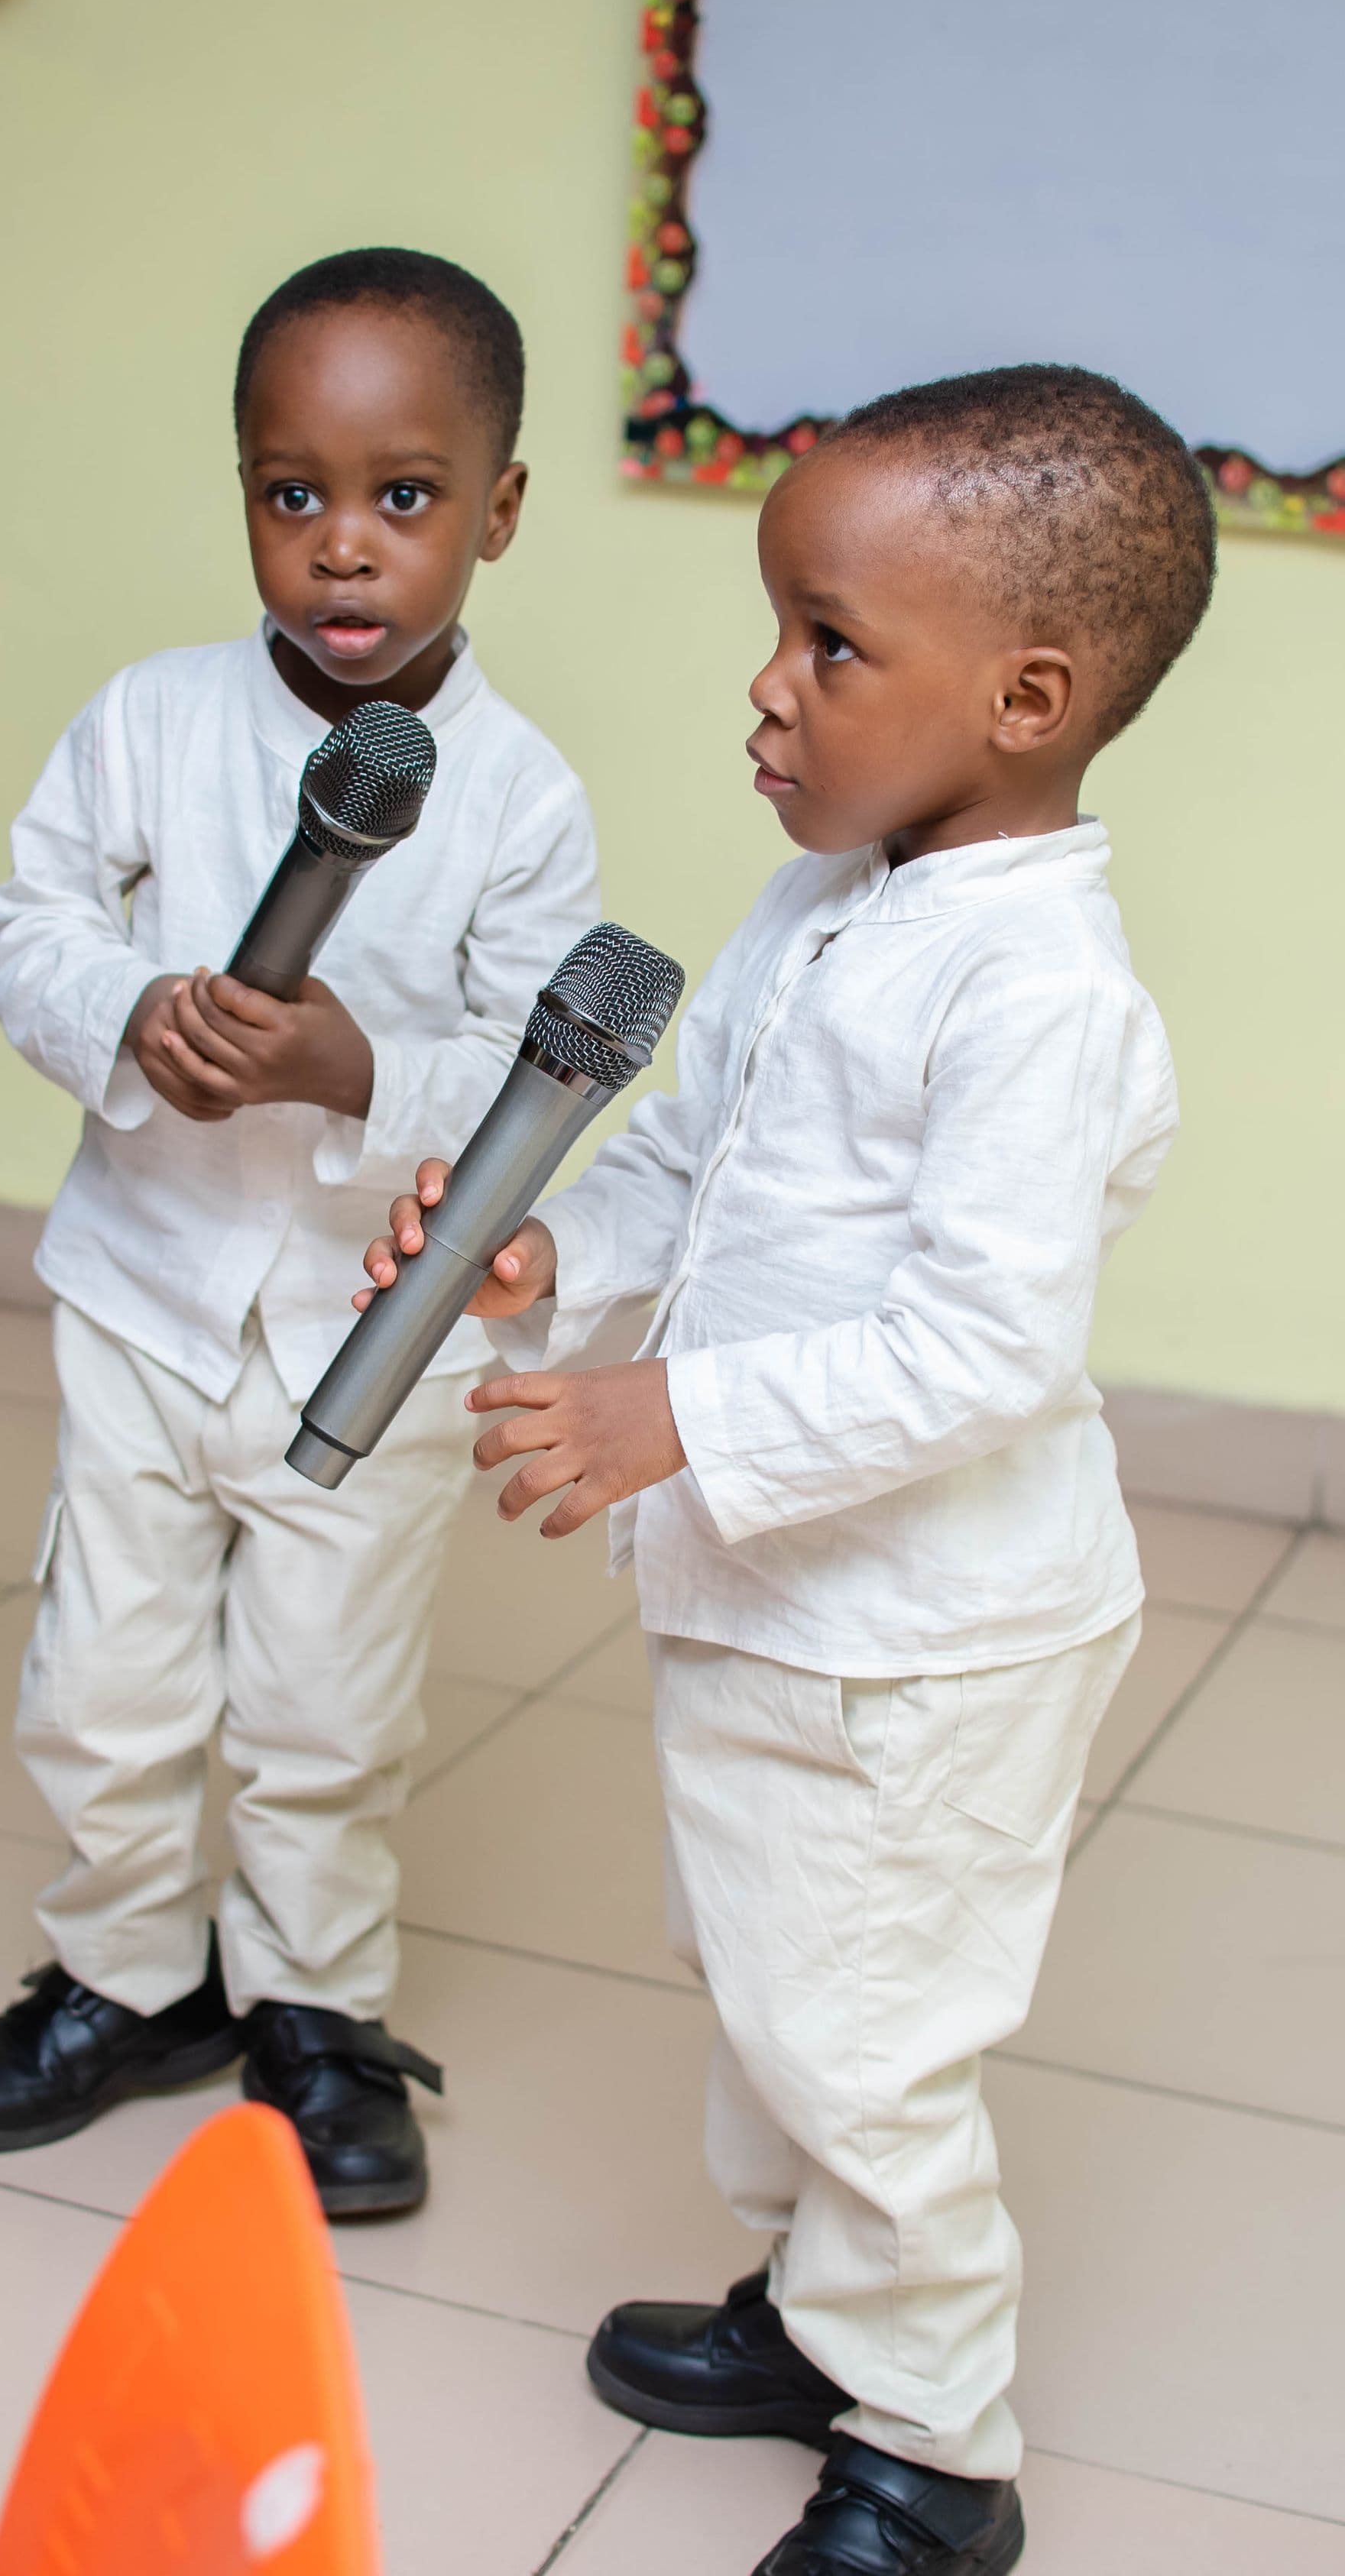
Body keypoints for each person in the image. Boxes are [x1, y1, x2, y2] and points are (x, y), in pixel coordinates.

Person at [358, 367, 1210, 2574]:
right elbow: (699, 1182)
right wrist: (548, 1261)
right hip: (778, 1605)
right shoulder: (818, 900)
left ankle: (936, 2445)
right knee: (759, 1974)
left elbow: (982, 1347)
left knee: (863, 2037)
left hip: (927, 1647)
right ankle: (824, 2315)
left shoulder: (1037, 992)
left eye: (828, 645)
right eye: (781, 630)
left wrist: (671, 1420)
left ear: (1025, 697)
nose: (768, 689)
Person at [0, 251, 600, 2215]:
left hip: (364, 1345)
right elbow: (29, 925)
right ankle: (130, 1975)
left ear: (502, 508)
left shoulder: (525, 801)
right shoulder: (147, 721)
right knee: (102, 1677)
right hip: (139, 1299)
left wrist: (346, 1062)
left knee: (322, 1706)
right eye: (293, 495)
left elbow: (542, 1068)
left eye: (406, 497)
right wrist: (131, 1012)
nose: (346, 551)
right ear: (241, 494)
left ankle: (311, 2007)